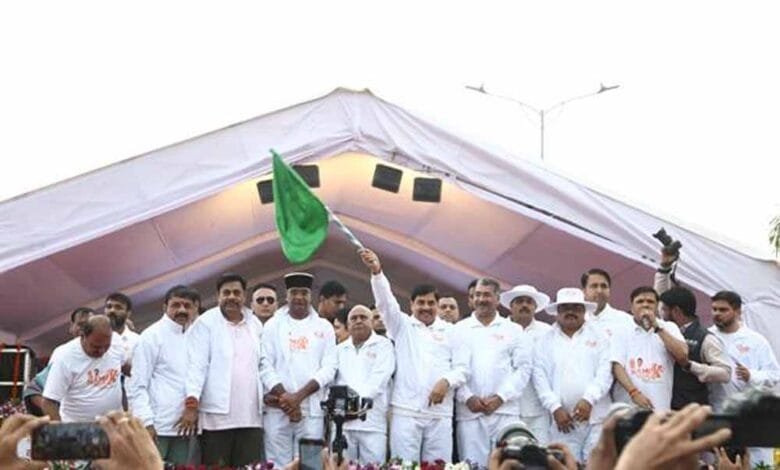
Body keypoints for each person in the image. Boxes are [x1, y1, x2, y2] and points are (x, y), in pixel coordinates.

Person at [360, 248, 468, 462]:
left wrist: (446, 381)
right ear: (411, 304)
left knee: (438, 467)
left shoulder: (452, 331)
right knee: (404, 465)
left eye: (431, 303)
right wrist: (377, 272)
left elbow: (463, 368)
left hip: (440, 413)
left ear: (437, 306)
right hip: (405, 412)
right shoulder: (401, 326)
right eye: (421, 302)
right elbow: (385, 302)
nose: (426, 307)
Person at [183, 273, 265, 467]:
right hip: (216, 419)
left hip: (251, 417)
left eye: (236, 293)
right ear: (218, 296)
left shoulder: (255, 323)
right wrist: (191, 404)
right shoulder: (205, 323)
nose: (231, 297)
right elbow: (197, 367)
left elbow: (263, 365)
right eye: (226, 293)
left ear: (244, 296)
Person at [260, 272, 338, 464]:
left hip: (311, 409)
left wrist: (298, 397)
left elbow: (329, 368)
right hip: (278, 408)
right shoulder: (272, 325)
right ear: (286, 296)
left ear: (311, 296)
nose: (299, 297)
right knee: (277, 464)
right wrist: (286, 398)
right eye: (294, 292)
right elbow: (265, 364)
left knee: (309, 463)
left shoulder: (324, 327)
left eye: (304, 293)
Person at [453, 279, 532, 467]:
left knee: (509, 464)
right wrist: (467, 397)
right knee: (472, 466)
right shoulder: (458, 329)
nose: (482, 299)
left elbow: (523, 369)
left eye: (487, 295)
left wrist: (500, 397)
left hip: (505, 411)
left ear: (497, 299)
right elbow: (452, 368)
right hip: (470, 412)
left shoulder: (513, 330)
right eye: (478, 295)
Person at [533, 288, 612, 462]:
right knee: (566, 465)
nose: (571, 312)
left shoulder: (600, 336)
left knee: (597, 465)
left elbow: (605, 373)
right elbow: (539, 379)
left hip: (597, 418)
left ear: (584, 311)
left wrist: (589, 400)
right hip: (563, 421)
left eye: (576, 307)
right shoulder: (544, 341)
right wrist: (555, 407)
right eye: (565, 307)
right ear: (557, 311)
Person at [128, 285, 200, 465]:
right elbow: (137, 385)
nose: (182, 310)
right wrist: (146, 422)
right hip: (157, 426)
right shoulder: (151, 336)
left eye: (187, 306)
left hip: (185, 426)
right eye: (176, 305)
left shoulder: (197, 335)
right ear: (165, 307)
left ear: (195, 308)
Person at [708, 290, 779, 467]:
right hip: (720, 415)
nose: (717, 314)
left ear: (738, 311)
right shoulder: (707, 337)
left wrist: (752, 376)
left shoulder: (755, 340)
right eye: (714, 309)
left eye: (723, 310)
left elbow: (774, 375)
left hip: (752, 416)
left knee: (758, 462)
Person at [654, 249, 731, 409]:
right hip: (664, 408)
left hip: (691, 412)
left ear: (676, 311)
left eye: (664, 310)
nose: (660, 313)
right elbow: (658, 296)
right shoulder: (664, 330)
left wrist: (690, 366)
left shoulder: (706, 338)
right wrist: (664, 268)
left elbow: (725, 373)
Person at [333, 305, 395, 463]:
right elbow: (332, 381)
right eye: (353, 318)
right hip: (344, 423)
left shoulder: (384, 345)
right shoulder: (339, 349)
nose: (358, 321)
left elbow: (380, 378)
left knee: (373, 466)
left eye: (363, 317)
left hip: (372, 422)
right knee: (341, 466)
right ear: (348, 325)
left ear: (372, 322)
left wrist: (354, 404)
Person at [611, 286, 688, 411]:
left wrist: (657, 328)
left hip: (660, 408)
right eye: (640, 301)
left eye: (650, 302)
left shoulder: (669, 327)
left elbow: (683, 356)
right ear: (632, 307)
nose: (645, 305)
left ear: (657, 307)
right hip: (627, 407)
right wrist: (634, 392)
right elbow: (617, 366)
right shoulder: (621, 329)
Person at [41, 315, 125, 422]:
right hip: (78, 426)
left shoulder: (116, 342)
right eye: (96, 346)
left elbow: (127, 367)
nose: (102, 351)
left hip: (114, 423)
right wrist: (60, 429)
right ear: (82, 336)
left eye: (106, 346)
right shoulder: (65, 356)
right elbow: (49, 402)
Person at [499, 284, 552, 443]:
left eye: (529, 302)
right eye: (519, 301)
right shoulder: (500, 329)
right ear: (511, 306)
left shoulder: (547, 332)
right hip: (505, 407)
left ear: (535, 307)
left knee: (540, 453)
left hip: (538, 408)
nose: (524, 305)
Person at [23, 307, 96, 416]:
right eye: (81, 324)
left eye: (89, 325)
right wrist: (56, 415)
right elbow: (34, 389)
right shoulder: (62, 353)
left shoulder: (108, 353)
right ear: (72, 327)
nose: (85, 329)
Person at [580, 269, 633, 339]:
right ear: (584, 291)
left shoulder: (626, 321)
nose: (599, 291)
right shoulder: (577, 321)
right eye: (594, 286)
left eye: (604, 286)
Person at [104, 292, 140, 367]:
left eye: (118, 307)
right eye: (109, 307)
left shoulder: (137, 341)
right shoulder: (96, 337)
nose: (112, 310)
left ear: (128, 313)